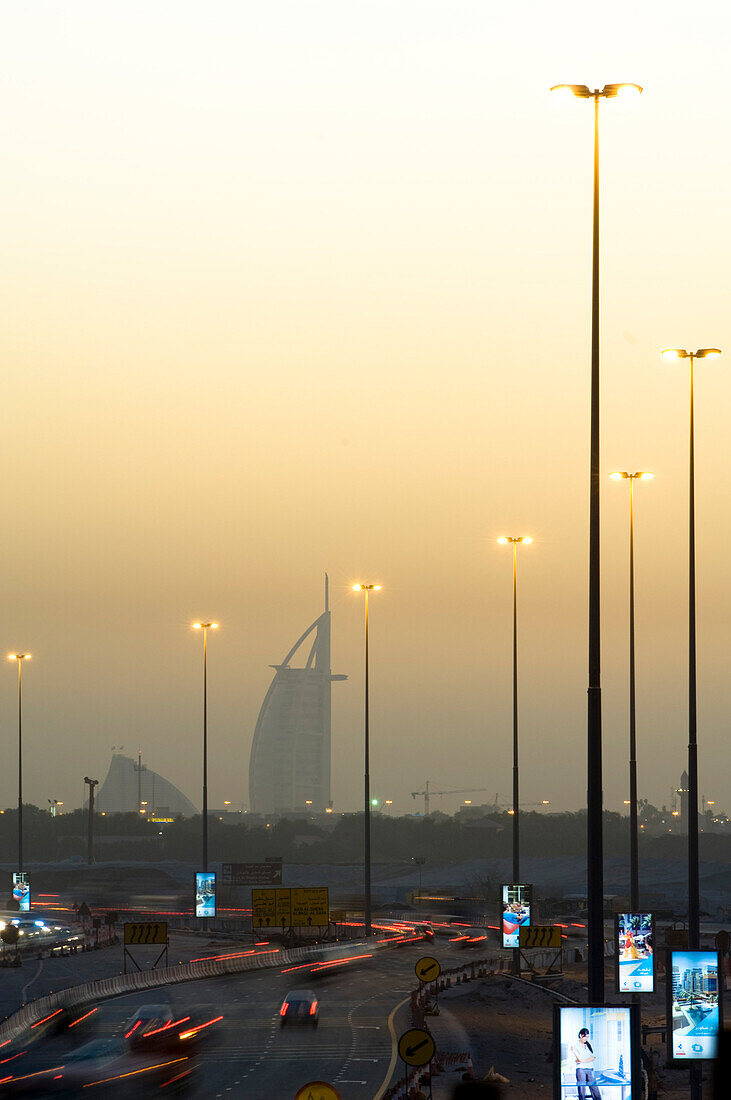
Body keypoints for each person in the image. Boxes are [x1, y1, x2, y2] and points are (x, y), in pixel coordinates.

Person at [569, 1028, 602, 1100]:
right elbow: (578, 1059)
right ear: (581, 1035)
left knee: (595, 1088)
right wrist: (580, 1058)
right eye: (585, 1036)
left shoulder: (589, 1045)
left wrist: (582, 1060)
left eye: (587, 1037)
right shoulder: (575, 1046)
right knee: (582, 1090)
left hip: (590, 1069)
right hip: (581, 1070)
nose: (586, 1038)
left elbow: (593, 1057)